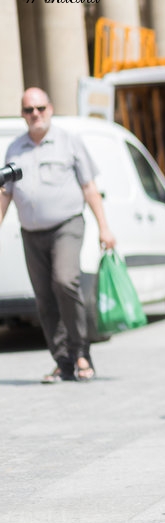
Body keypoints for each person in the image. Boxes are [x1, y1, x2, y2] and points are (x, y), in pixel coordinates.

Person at [0, 87, 116, 383]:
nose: (35, 114)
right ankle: (63, 361)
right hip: (31, 232)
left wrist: (104, 226)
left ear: (50, 108)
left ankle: (81, 352)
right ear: (23, 114)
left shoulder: (69, 142)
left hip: (67, 225)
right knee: (44, 298)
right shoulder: (14, 149)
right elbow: (5, 194)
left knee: (65, 281)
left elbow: (90, 188)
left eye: (40, 108)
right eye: (29, 110)